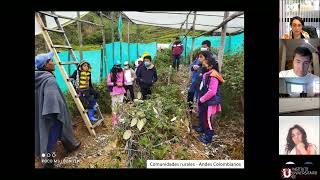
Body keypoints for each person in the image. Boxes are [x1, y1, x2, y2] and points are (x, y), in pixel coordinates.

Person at [35, 52, 81, 168]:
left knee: (48, 136)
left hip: (41, 114)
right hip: (52, 116)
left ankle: (70, 146)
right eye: (50, 61)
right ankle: (48, 164)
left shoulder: (38, 77)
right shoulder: (49, 80)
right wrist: (58, 115)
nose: (53, 62)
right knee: (51, 138)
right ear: (45, 65)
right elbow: (52, 103)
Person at [197, 56, 224, 144]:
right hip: (204, 99)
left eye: (205, 64)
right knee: (202, 115)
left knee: (207, 118)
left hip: (209, 101)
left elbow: (212, 92)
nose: (203, 65)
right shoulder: (208, 73)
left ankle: (208, 138)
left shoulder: (213, 76)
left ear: (210, 66)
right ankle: (202, 129)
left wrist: (202, 99)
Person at [190, 50, 213, 132]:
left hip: (204, 93)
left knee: (204, 110)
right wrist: (194, 67)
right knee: (199, 106)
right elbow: (192, 67)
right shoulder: (200, 66)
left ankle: (205, 129)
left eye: (201, 57)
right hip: (198, 89)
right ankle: (201, 125)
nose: (199, 59)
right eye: (198, 57)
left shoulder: (208, 70)